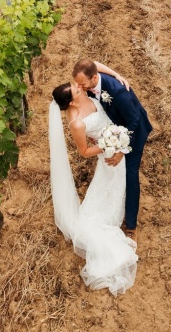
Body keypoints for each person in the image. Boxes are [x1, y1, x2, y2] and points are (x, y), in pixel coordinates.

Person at [49, 79, 138, 295]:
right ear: (70, 104)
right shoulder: (77, 123)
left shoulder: (88, 96)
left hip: (115, 136)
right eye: (75, 90)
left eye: (76, 85)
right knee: (114, 182)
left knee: (116, 184)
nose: (79, 87)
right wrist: (111, 144)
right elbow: (85, 151)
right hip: (107, 150)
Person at [71, 58, 152, 234]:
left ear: (94, 78)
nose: (79, 87)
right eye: (77, 84)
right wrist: (116, 73)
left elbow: (134, 122)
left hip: (135, 131)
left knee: (130, 173)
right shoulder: (90, 80)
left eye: (82, 84)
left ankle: (131, 226)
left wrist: (122, 150)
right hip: (117, 125)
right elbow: (93, 62)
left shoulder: (118, 92)